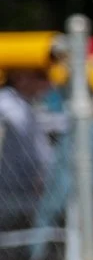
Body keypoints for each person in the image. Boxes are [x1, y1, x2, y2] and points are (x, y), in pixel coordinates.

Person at [0, 67, 54, 232]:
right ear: (20, 77)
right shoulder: (7, 104)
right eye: (39, 76)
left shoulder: (25, 104)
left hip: (25, 193)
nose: (46, 83)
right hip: (8, 192)